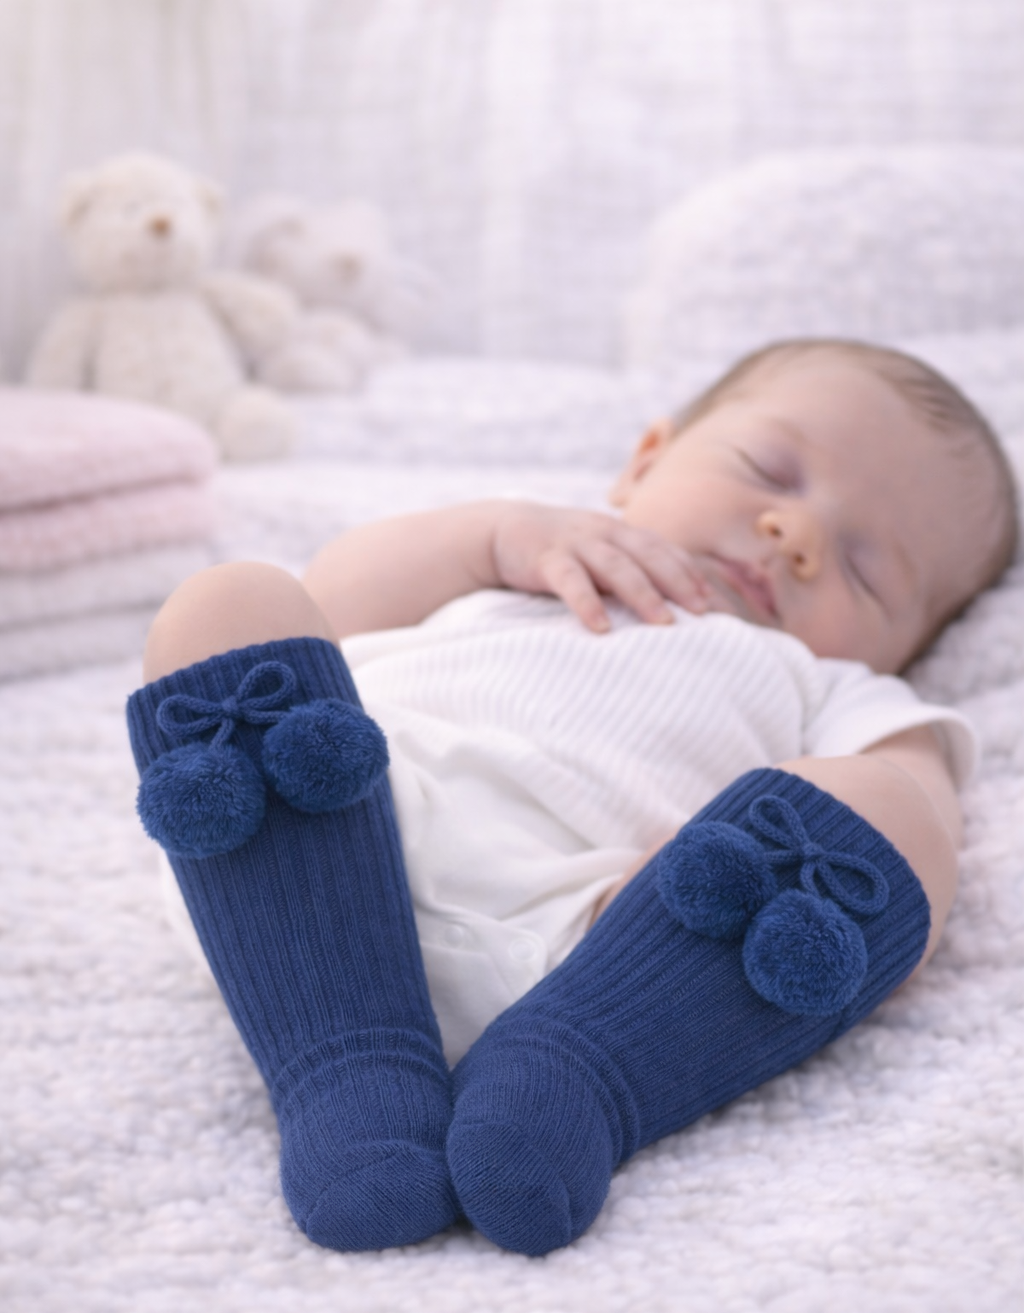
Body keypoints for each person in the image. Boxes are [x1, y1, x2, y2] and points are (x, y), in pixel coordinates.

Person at [126, 339, 1019, 1257]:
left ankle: (569, 1078)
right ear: (644, 462)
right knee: (227, 604)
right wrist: (494, 535)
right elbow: (332, 600)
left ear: (904, 648)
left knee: (887, 808)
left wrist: (705, 873)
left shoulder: (825, 681)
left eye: (868, 570)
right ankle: (346, 1072)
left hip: (601, 948)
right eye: (769, 470)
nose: (798, 536)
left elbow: (910, 840)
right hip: (307, 866)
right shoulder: (528, 561)